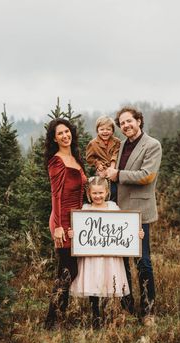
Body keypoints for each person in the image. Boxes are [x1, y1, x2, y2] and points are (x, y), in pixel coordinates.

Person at [106, 107, 162, 326]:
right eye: (122, 123)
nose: (126, 125)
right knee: (122, 263)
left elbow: (147, 176)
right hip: (119, 212)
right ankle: (127, 308)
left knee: (143, 262)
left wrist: (117, 175)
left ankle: (148, 311)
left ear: (139, 121)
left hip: (139, 214)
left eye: (129, 121)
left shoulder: (152, 145)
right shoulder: (120, 147)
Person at [69, 176, 144, 328]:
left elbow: (123, 227)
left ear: (107, 192)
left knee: (109, 281)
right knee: (93, 282)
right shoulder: (85, 210)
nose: (98, 196)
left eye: (101, 193)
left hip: (110, 256)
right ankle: (96, 317)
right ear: (89, 194)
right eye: (94, 193)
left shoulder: (113, 208)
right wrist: (73, 234)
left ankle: (107, 314)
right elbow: (79, 229)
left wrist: (137, 234)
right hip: (91, 257)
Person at [44, 118, 87, 329]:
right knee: (67, 270)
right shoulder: (56, 161)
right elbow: (56, 195)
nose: (65, 135)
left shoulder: (75, 157)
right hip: (62, 220)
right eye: (60, 133)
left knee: (70, 270)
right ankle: (52, 321)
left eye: (67, 131)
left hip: (76, 220)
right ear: (54, 138)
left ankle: (58, 317)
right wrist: (60, 226)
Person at [86, 116, 121, 201]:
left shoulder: (117, 142)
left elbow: (116, 154)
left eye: (108, 129)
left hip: (114, 171)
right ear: (97, 130)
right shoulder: (93, 143)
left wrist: (112, 167)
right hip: (101, 172)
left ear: (112, 131)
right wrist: (98, 164)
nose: (105, 132)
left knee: (115, 192)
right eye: (102, 129)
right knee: (102, 192)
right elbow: (89, 158)